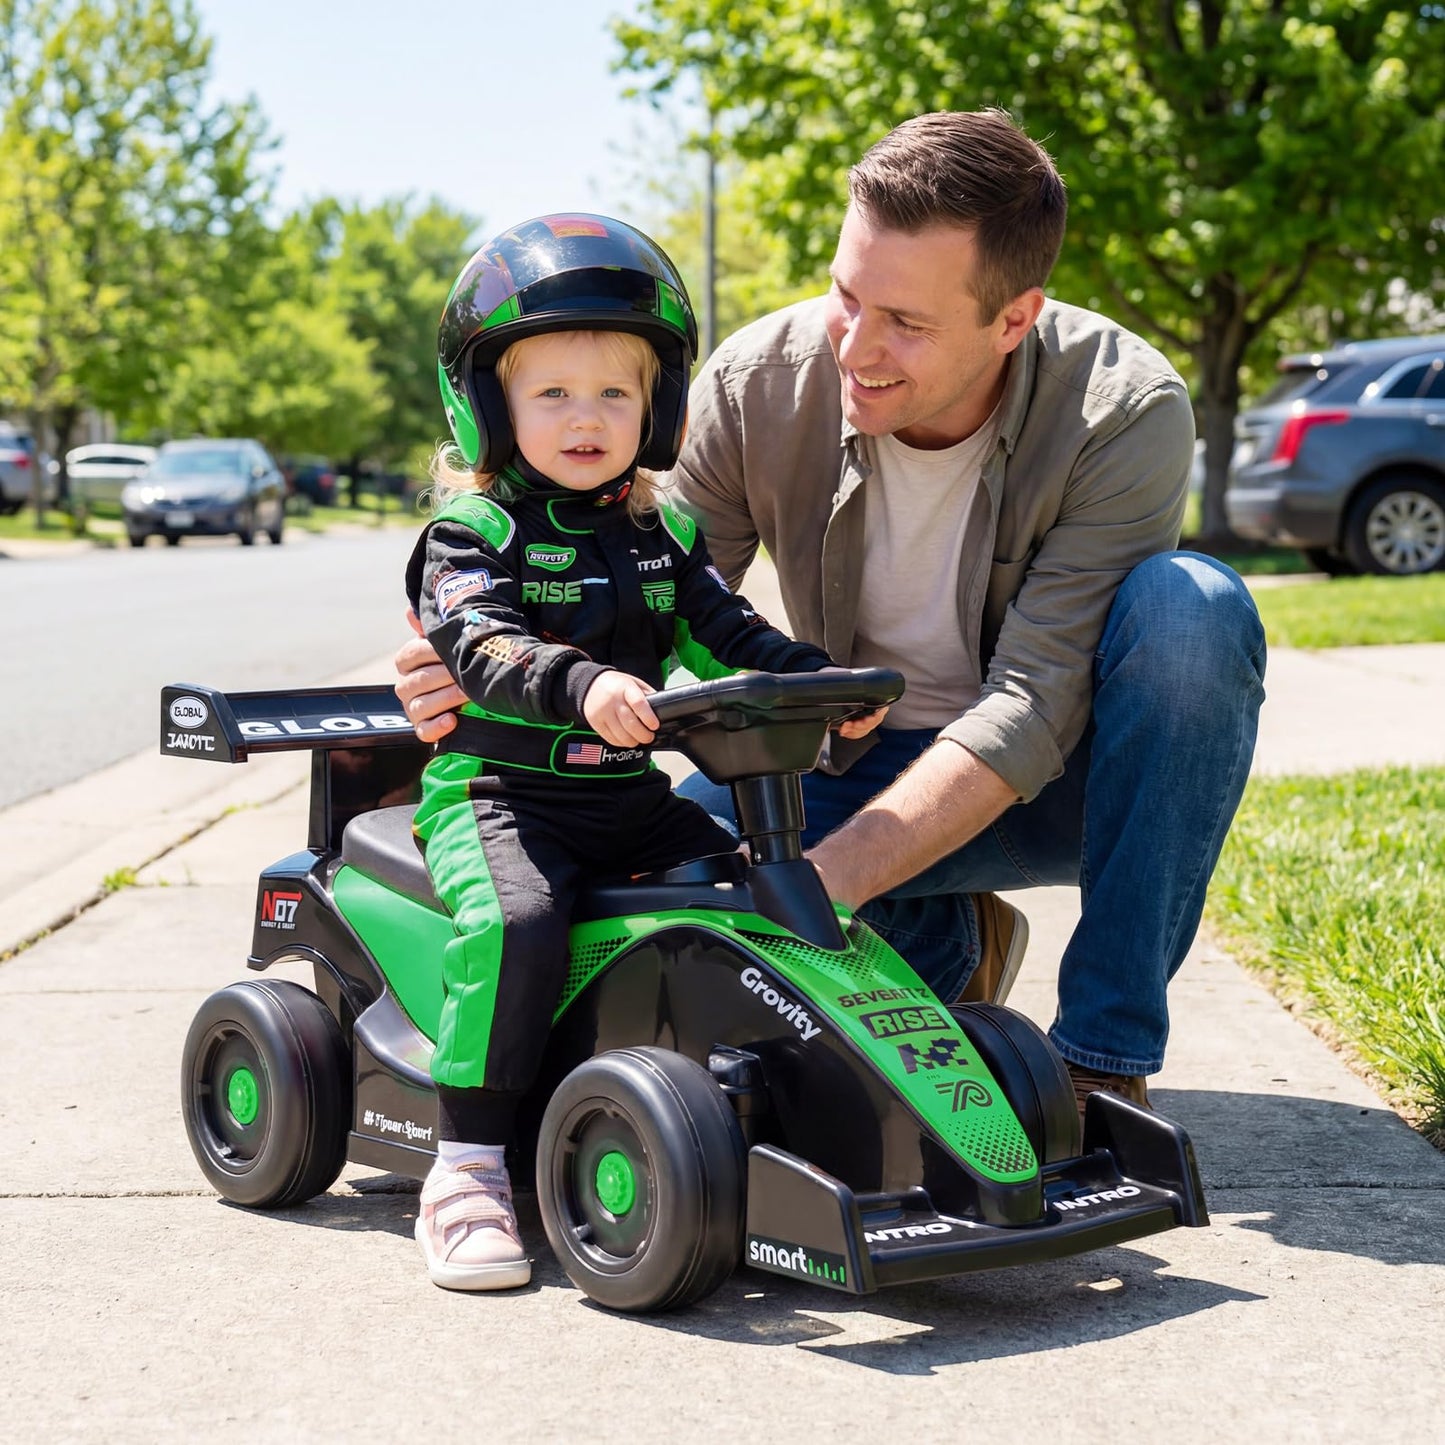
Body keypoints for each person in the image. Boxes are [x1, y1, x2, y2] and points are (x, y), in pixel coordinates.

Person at [396, 111, 1267, 1126]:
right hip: (833, 774)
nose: (855, 346)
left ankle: (1100, 1055)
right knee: (636, 901)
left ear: (1012, 319)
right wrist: (466, 645)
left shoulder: (1121, 410)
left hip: (1052, 793)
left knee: (1192, 611)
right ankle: (940, 937)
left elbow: (1029, 705)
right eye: (845, 295)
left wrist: (818, 889)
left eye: (904, 320)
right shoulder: (755, 385)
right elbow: (637, 595)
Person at [406, 214, 885, 1293]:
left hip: (626, 794)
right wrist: (584, 684)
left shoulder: (659, 536)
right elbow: (483, 645)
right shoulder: (467, 539)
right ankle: (468, 1164)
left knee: (756, 892)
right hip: (497, 797)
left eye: (615, 393)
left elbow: (731, 630)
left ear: (656, 408)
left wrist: (812, 680)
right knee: (519, 919)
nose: (587, 419)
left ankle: (784, 1096)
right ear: (487, 406)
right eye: (552, 394)